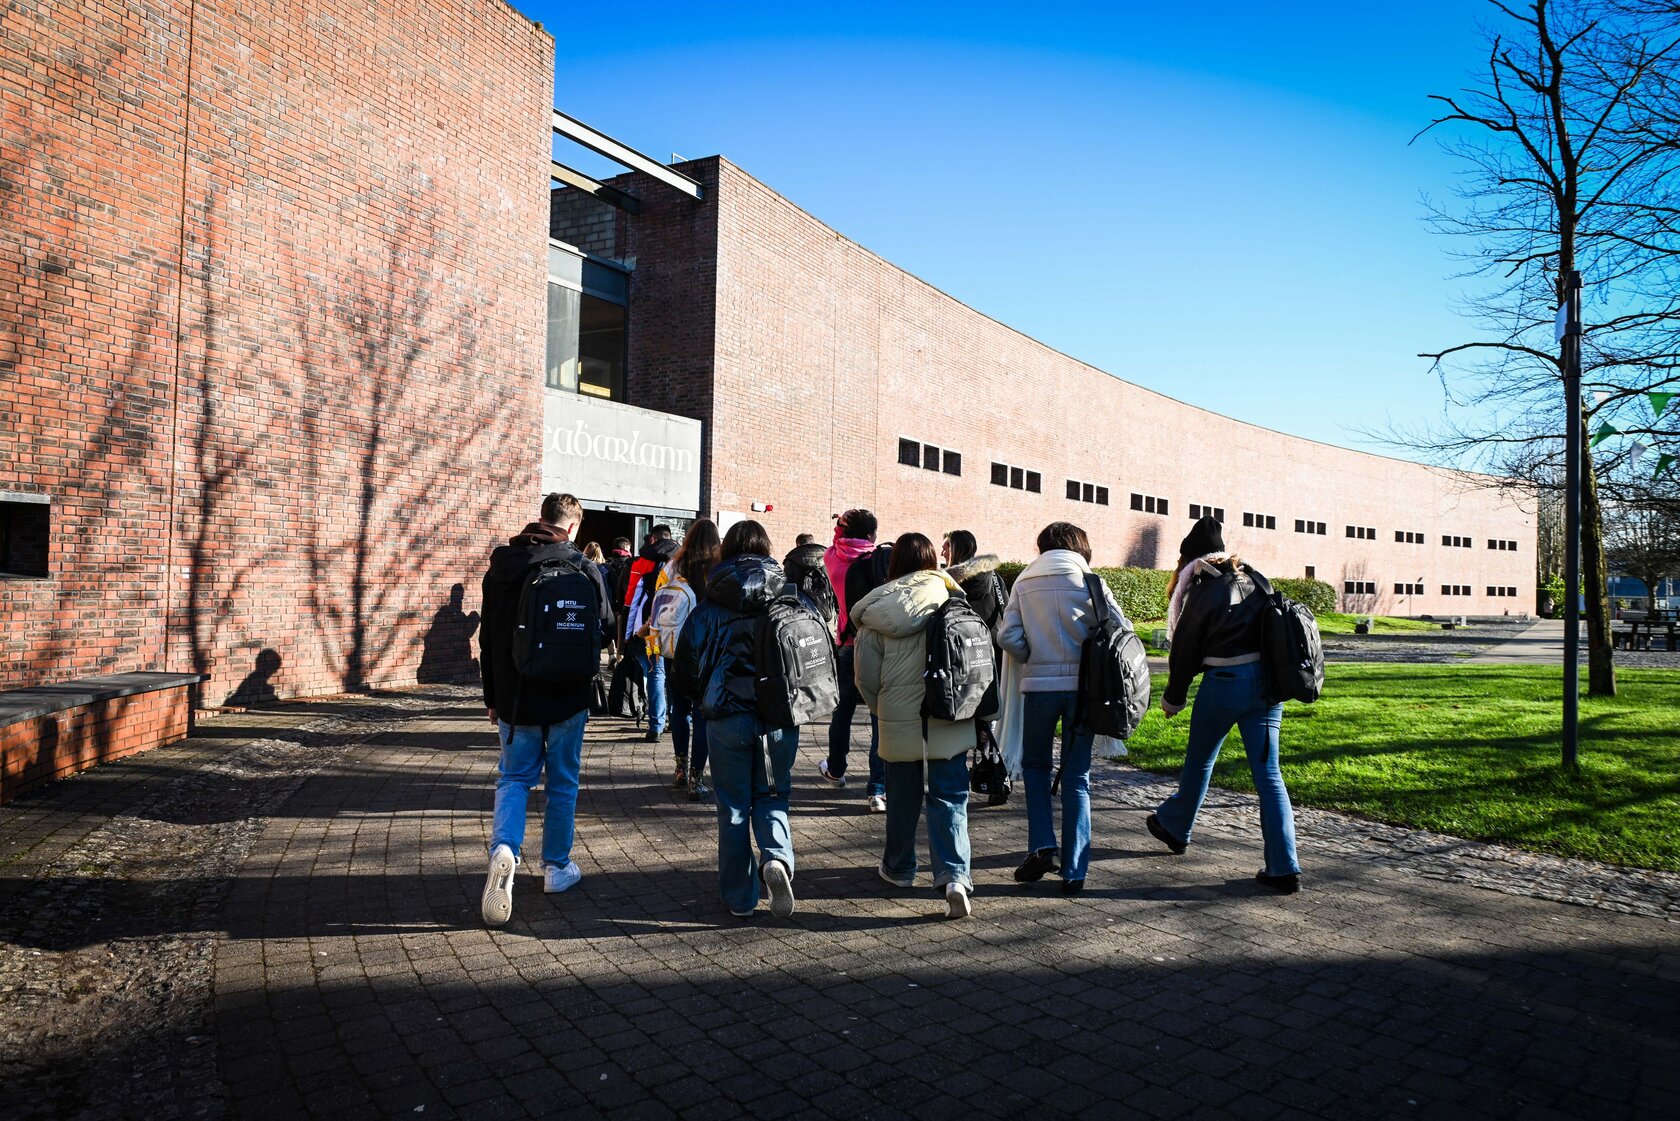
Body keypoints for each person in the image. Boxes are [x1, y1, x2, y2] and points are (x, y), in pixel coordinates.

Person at [1146, 516, 1301, 893]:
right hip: (1266, 689)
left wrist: (1173, 698)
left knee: (1200, 761)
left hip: (1223, 685)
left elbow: (1185, 649)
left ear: (1191, 560)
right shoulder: (1257, 579)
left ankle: (1178, 826)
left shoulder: (1202, 588)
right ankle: (1284, 867)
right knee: (1269, 775)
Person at [478, 492, 612, 925]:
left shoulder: (503, 567)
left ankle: (504, 850)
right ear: (572, 527)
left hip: (517, 698)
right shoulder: (583, 567)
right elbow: (606, 626)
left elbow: (488, 641)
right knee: (563, 783)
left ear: (540, 519)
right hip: (570, 696)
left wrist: (493, 699)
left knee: (514, 778)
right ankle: (556, 867)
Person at [675, 520, 801, 918]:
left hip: (727, 718)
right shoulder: (787, 597)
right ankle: (776, 858)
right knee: (772, 794)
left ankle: (740, 897)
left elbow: (685, 669)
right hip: (778, 717)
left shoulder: (708, 604)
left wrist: (704, 699)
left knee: (732, 807)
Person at [996, 521, 1127, 894]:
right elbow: (1121, 629)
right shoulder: (1092, 582)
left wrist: (1033, 657)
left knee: (1036, 768)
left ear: (1043, 547)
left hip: (1039, 687)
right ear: (1079, 547)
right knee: (1077, 777)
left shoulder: (1024, 582)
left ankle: (1042, 845)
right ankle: (1075, 869)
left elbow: (1008, 637)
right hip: (1084, 691)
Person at [851, 533, 976, 919]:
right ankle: (955, 875)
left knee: (901, 798)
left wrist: (883, 708)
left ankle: (900, 868)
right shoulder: (954, 600)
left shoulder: (878, 610)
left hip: (898, 715)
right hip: (951, 711)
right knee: (950, 795)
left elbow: (865, 678)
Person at [819, 508, 888, 811]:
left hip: (847, 644)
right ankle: (877, 791)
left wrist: (841, 527)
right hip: (878, 645)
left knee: (842, 711)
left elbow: (835, 542)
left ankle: (835, 771)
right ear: (872, 534)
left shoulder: (832, 559)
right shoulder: (881, 560)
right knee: (880, 719)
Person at [648, 519, 720, 800]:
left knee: (679, 710)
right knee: (701, 713)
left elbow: (658, 603)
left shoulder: (672, 567)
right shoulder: (717, 570)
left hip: (673, 649)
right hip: (704, 651)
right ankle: (696, 777)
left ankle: (679, 768)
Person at [942, 530, 1007, 754]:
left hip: (961, 651)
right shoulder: (995, 578)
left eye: (946, 547)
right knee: (986, 701)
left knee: (964, 700)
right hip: (993, 648)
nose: (942, 551)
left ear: (956, 549)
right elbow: (1005, 611)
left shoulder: (948, 583)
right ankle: (987, 750)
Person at [624, 526, 679, 742]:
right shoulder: (684, 559)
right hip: (677, 626)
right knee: (675, 673)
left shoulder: (643, 561)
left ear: (653, 539)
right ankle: (677, 719)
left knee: (656, 672)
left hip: (652, 627)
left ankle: (656, 726)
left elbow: (633, 599)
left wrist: (628, 634)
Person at [783, 535, 837, 628]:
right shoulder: (827, 558)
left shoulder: (791, 561)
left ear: (798, 544)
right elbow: (835, 585)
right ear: (812, 542)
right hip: (827, 611)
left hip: (802, 615)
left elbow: (788, 591)